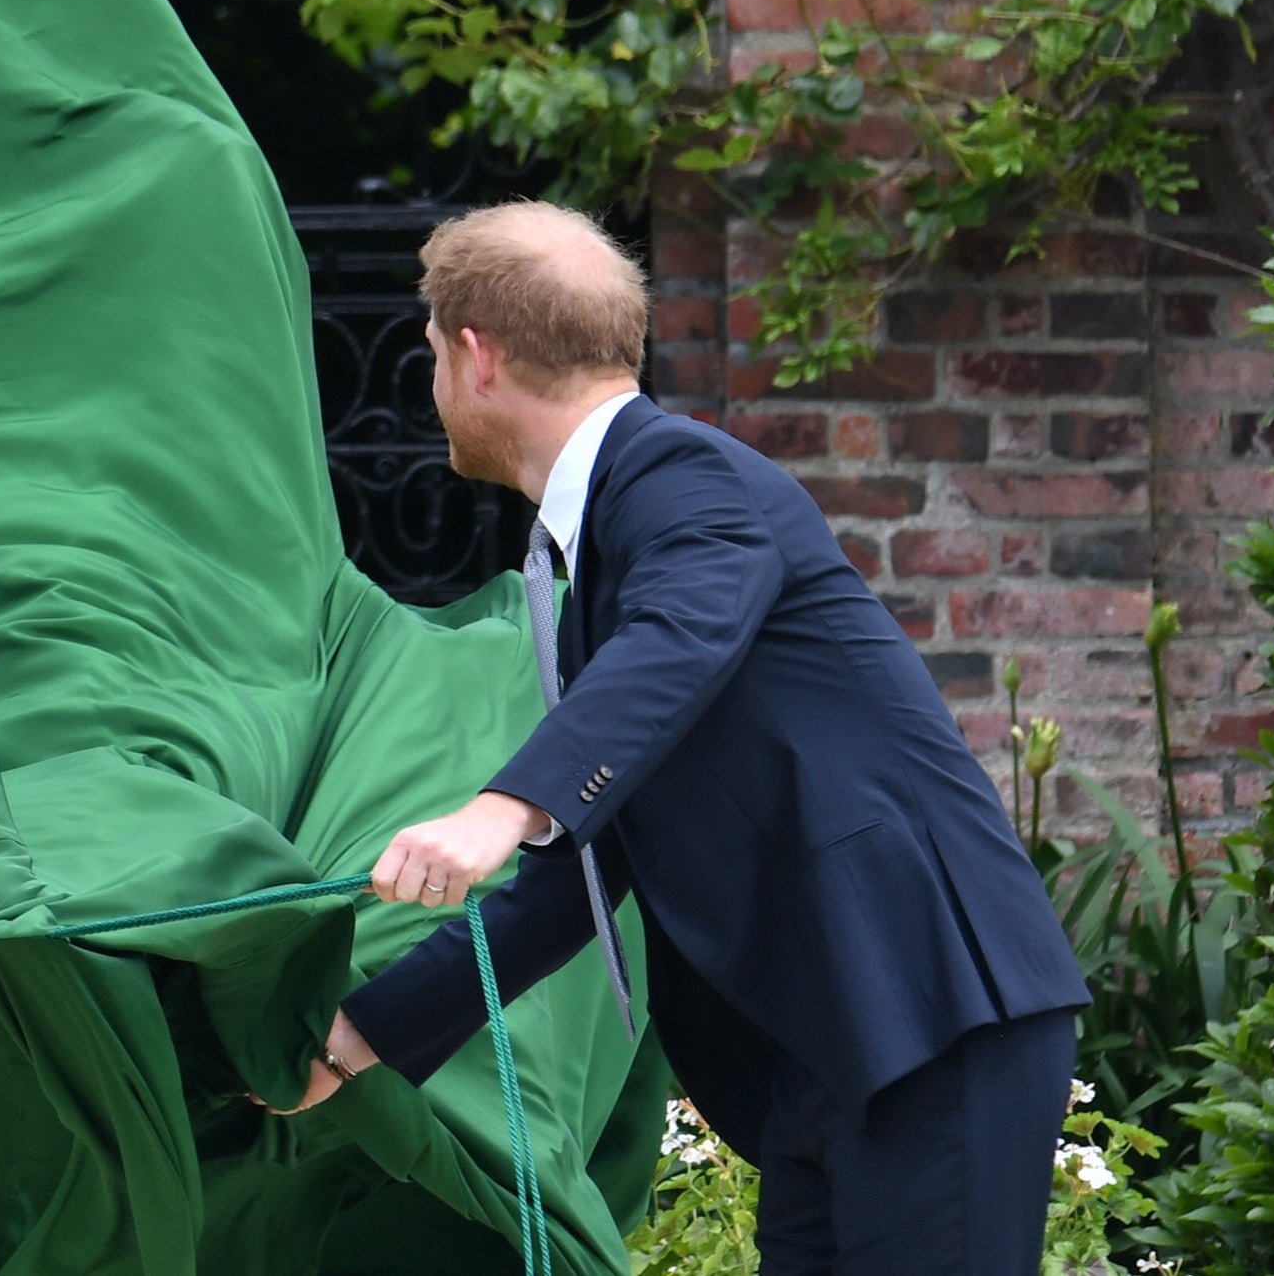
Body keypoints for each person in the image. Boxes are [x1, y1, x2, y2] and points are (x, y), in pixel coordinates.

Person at [290, 202, 1086, 1276]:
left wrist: (499, 808)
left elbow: (683, 632)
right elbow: (571, 885)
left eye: (431, 355)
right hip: (835, 1047)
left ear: (475, 357)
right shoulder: (614, 545)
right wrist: (354, 1043)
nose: (431, 388)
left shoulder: (681, 479)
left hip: (928, 1013)